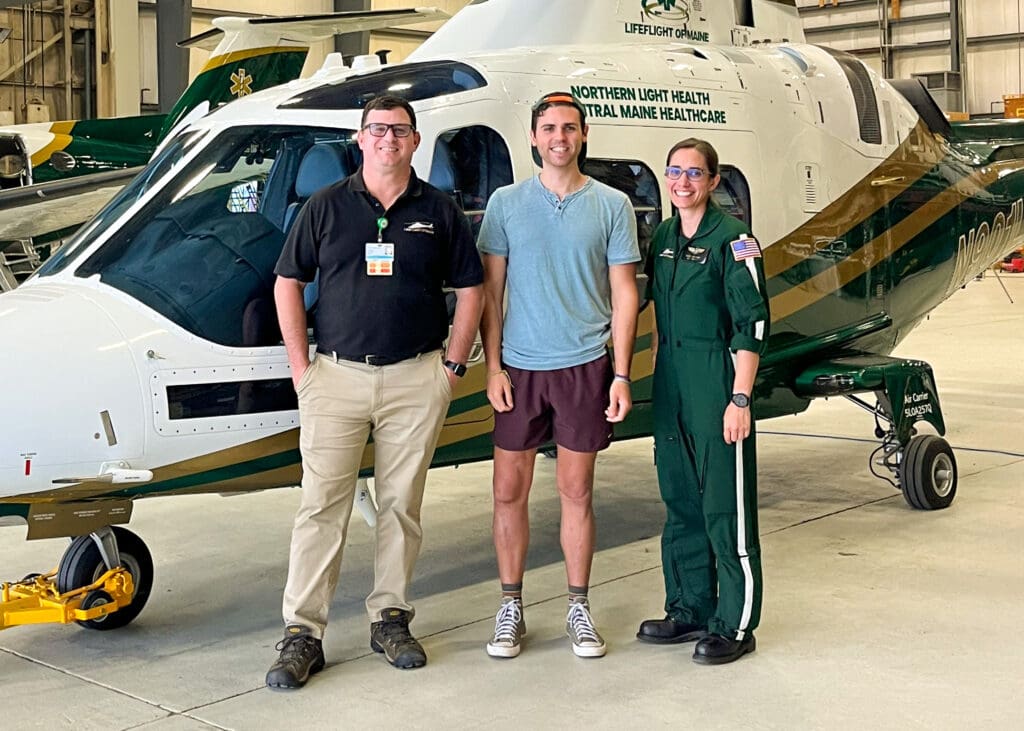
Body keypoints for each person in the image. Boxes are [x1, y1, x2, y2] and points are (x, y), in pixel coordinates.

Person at [266, 94, 484, 689]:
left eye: (400, 131)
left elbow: (472, 288)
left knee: (401, 506)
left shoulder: (439, 212)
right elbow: (288, 281)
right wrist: (300, 368)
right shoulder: (325, 207)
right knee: (321, 506)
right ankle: (302, 633)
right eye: (378, 130)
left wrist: (453, 367)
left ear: (416, 142)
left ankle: (390, 616)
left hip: (417, 377)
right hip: (334, 378)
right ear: (360, 139)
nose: (389, 139)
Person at [477, 91, 640, 659]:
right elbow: (490, 294)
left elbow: (624, 294)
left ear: (584, 135)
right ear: (533, 137)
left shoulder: (612, 205)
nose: (559, 138)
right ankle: (510, 606)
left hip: (584, 367)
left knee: (576, 491)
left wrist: (620, 375)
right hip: (520, 370)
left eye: (569, 128)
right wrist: (492, 366)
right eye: (548, 128)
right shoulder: (504, 203)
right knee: (507, 492)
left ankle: (577, 606)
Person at [636, 138, 769, 665]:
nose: (683, 182)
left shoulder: (734, 239)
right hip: (670, 380)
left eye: (695, 173)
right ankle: (689, 606)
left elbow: (753, 322)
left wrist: (740, 398)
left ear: (714, 181)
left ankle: (734, 623)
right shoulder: (664, 235)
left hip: (717, 378)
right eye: (675, 171)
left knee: (725, 508)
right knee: (681, 501)